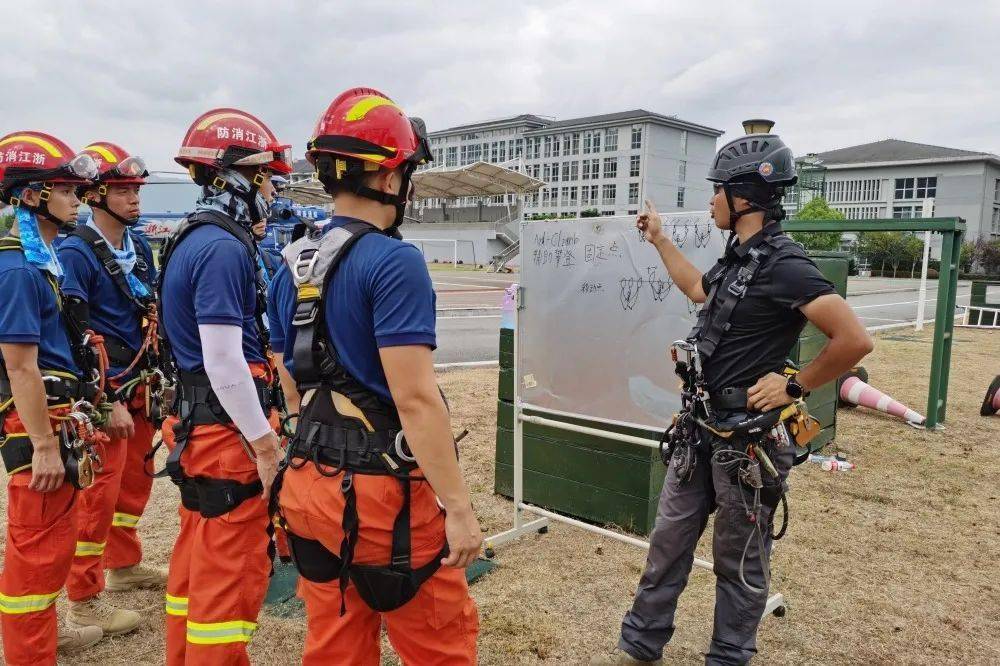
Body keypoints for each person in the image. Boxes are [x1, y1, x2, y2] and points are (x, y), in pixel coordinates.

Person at [597, 126, 874, 665]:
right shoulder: (740, 258)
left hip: (747, 446)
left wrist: (795, 385)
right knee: (668, 545)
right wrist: (657, 238)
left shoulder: (785, 265)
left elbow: (855, 340)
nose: (711, 200)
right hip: (699, 432)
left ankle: (728, 657)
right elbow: (698, 290)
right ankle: (640, 646)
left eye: (717, 189)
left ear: (743, 196)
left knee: (740, 563)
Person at [268, 87, 481, 665]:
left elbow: (289, 377)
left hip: (311, 484)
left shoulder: (293, 263)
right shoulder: (395, 261)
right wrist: (458, 508)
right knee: (439, 646)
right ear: (390, 179)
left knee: (335, 644)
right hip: (387, 504)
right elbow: (414, 398)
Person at [158, 108, 292, 665]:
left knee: (196, 562)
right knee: (229, 580)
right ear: (238, 175)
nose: (271, 190)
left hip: (200, 427)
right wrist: (264, 445)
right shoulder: (222, 248)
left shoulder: (194, 237)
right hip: (226, 436)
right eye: (266, 177)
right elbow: (223, 358)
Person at [0, 131, 107, 662]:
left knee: (54, 543)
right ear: (32, 196)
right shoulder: (20, 269)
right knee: (36, 555)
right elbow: (20, 365)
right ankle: (29, 656)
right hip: (35, 428)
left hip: (58, 415)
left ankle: (46, 637)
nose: (78, 201)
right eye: (66, 190)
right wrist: (42, 444)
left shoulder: (38, 259)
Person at [58, 141, 166, 637]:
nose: (134, 199)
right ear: (96, 193)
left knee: (135, 483)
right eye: (123, 190)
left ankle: (123, 567)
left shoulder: (138, 247)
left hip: (141, 382)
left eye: (136, 190)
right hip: (107, 391)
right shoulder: (75, 252)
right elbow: (73, 334)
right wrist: (103, 402)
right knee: (98, 496)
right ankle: (83, 599)